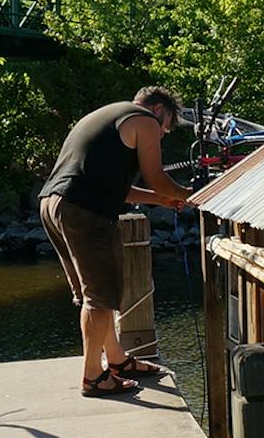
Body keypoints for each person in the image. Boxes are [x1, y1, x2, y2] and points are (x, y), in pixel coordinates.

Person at [39, 85, 189, 397]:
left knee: (91, 294)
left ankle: (117, 360)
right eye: (165, 129)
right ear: (159, 111)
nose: (161, 135)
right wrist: (191, 196)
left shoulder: (107, 115)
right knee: (100, 297)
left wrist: (162, 202)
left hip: (54, 204)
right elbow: (157, 178)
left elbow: (120, 190)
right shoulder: (145, 120)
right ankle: (93, 376)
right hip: (83, 210)